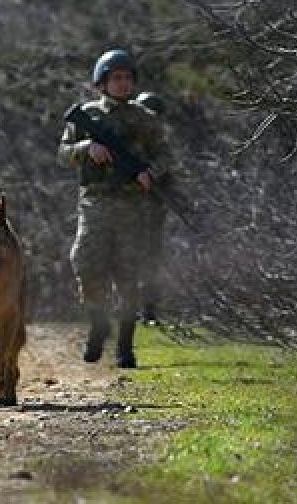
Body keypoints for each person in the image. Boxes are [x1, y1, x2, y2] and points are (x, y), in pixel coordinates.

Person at [57, 49, 173, 368]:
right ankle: (98, 323)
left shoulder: (145, 119)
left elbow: (165, 155)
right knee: (86, 264)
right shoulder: (87, 114)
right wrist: (86, 147)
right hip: (94, 203)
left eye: (127, 78)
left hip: (132, 206)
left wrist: (151, 173)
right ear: (102, 82)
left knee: (128, 275)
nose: (122, 84)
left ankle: (125, 345)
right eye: (116, 78)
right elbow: (62, 152)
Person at [132, 91, 168, 325]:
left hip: (152, 210)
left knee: (151, 262)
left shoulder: (159, 145)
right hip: (126, 208)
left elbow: (167, 170)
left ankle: (148, 311)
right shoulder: (129, 140)